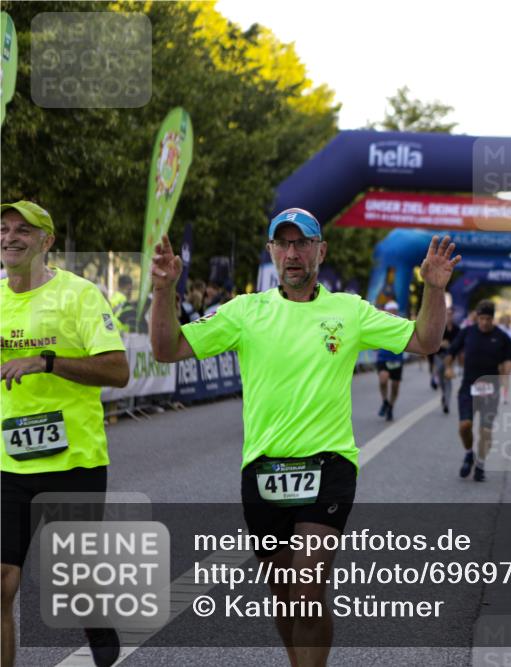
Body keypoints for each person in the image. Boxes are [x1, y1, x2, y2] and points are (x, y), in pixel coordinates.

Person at [149, 208, 458, 667]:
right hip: (264, 470)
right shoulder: (244, 312)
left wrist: (434, 290)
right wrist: (163, 289)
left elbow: (425, 341)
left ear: (320, 250)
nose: (293, 254)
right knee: (285, 595)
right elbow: (166, 348)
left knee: (309, 588)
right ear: (272, 250)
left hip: (328, 466)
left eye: (303, 243)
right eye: (284, 244)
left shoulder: (348, 311)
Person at [0, 201, 130, 667]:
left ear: (46, 241)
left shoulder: (80, 295)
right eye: (4, 228)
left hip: (74, 460)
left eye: (23, 230)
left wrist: (46, 361)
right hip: (9, 465)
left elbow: (118, 371)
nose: (10, 237)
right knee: (3, 580)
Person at [444, 301, 511, 482]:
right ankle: (469, 453)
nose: (484, 323)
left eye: (488, 319)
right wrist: (448, 368)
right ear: (476, 317)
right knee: (464, 426)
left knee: (485, 431)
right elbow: (451, 352)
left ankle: (481, 464)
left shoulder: (500, 336)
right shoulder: (467, 333)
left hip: (491, 390)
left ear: (493, 318)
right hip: (468, 388)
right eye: (481, 318)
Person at [375, 301, 405, 422]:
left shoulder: (401, 324)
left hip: (397, 359)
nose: (392, 312)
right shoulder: (380, 324)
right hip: (383, 358)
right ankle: (384, 401)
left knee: (395, 386)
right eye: (390, 310)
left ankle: (391, 406)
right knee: (383, 379)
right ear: (386, 311)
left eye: (394, 310)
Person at [433, 307, 460, 414]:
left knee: (448, 380)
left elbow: (460, 344)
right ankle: (444, 395)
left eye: (451, 314)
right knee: (441, 379)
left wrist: (452, 346)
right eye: (447, 314)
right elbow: (432, 343)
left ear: (453, 315)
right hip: (439, 357)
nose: (449, 316)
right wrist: (440, 344)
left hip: (450, 359)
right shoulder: (439, 328)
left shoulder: (457, 329)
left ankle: (447, 404)